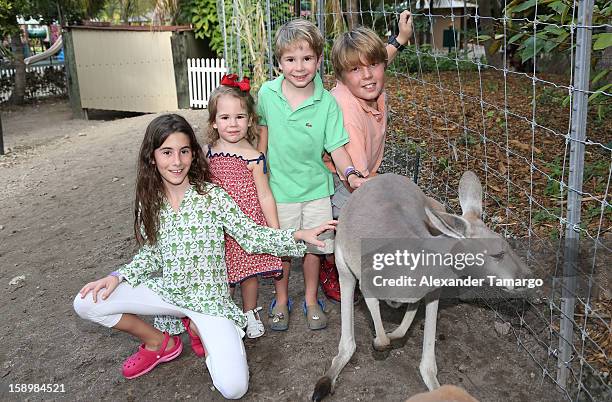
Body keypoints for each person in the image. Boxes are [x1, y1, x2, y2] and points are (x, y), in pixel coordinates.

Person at [73, 114, 336, 399]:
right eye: (167, 152)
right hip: (169, 293)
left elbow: (251, 234)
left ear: (193, 154)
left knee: (234, 389)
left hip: (209, 302)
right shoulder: (148, 200)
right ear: (152, 157)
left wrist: (298, 235)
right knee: (87, 302)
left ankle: (204, 328)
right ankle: (159, 342)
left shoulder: (212, 195)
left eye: (184, 151)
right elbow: (151, 255)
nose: (176, 162)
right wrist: (117, 277)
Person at [257, 18, 366, 332]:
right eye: (290, 59)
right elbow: (262, 140)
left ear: (319, 60)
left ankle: (310, 298)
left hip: (317, 189)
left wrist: (351, 174)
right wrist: (257, 179)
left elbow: (337, 149)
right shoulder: (267, 95)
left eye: (307, 59)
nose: (299, 67)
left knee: (314, 249)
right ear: (279, 63)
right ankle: (280, 299)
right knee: (284, 250)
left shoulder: (327, 103)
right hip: (279, 189)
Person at [320, 11, 414, 302]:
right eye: (357, 71)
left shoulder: (369, 82)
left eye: (373, 66)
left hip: (360, 172)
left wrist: (399, 40)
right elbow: (358, 181)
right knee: (367, 220)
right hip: (341, 179)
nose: (368, 75)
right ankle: (332, 261)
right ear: (342, 77)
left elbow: (373, 60)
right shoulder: (347, 111)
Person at [205, 74, 281, 339]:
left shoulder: (254, 156)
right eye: (225, 118)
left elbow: (265, 195)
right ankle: (227, 316)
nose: (232, 124)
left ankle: (250, 313)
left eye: (239, 117)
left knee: (249, 274)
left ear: (250, 120)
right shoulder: (208, 153)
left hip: (247, 225)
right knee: (223, 274)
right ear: (214, 122)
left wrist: (275, 231)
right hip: (220, 229)